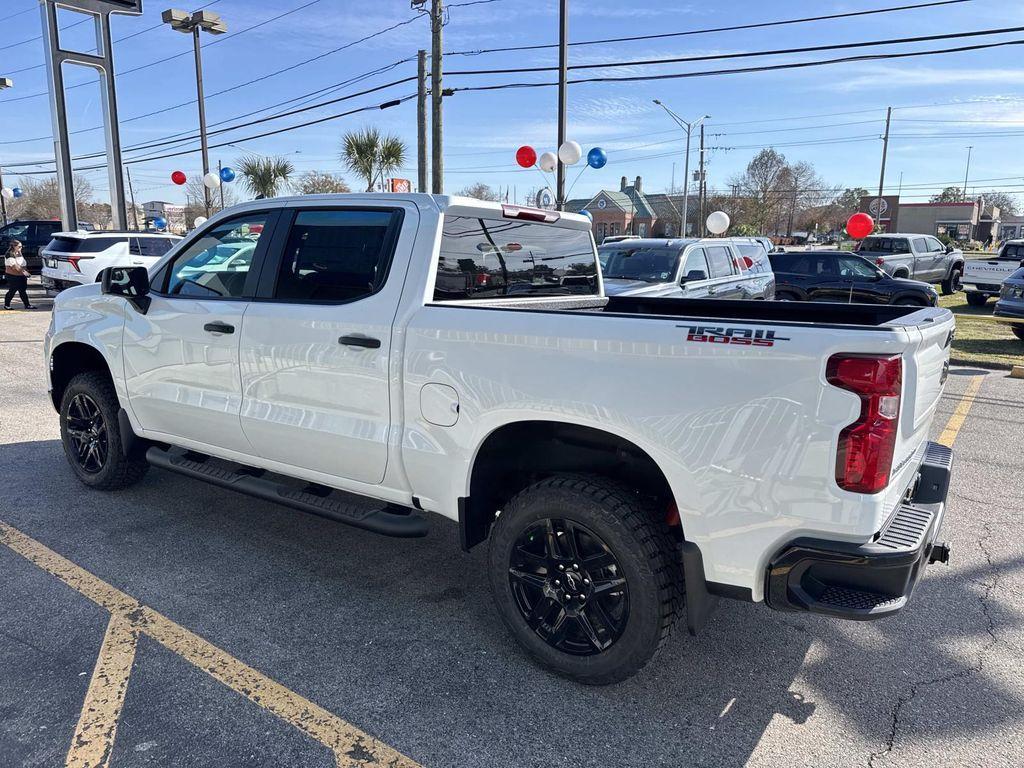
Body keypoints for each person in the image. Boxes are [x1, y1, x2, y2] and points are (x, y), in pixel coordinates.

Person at [4, 239, 36, 310]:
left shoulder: (19, 253)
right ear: (14, 246)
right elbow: (15, 266)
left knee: (22, 290)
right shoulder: (9, 254)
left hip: (21, 275)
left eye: (21, 246)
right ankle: (7, 305)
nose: (21, 248)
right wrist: (25, 272)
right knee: (13, 290)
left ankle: (27, 305)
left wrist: (25, 271)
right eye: (19, 246)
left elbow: (22, 263)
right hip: (13, 276)